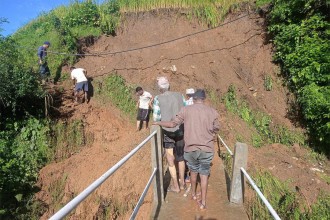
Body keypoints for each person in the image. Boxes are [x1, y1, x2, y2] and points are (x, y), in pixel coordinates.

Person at [153, 89, 220, 210]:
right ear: (204, 99)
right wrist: (210, 131)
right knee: (204, 175)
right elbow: (216, 128)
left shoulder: (186, 110)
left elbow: (173, 124)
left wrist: (158, 122)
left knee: (193, 172)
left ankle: (193, 195)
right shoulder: (213, 112)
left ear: (193, 99)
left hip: (190, 149)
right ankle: (203, 203)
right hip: (207, 149)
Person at [153, 76, 186, 193]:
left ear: (160, 88)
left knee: (170, 158)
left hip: (168, 132)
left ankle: (176, 186)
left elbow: (156, 117)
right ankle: (182, 183)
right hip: (181, 130)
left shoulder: (158, 99)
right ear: (169, 85)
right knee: (181, 157)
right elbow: (185, 110)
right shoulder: (180, 95)